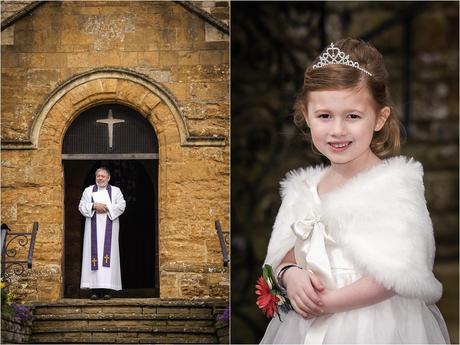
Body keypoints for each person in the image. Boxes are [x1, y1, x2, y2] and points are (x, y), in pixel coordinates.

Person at [260, 38, 450, 343]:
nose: (337, 130)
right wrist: (290, 274)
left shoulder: (393, 186)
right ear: (306, 117)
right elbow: (281, 255)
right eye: (324, 116)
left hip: (376, 325)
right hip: (304, 329)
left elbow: (396, 274)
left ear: (380, 118)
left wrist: (327, 303)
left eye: (353, 116)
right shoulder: (303, 189)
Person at [79, 167, 126, 300]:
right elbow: (81, 206)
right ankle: (94, 290)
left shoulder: (116, 191)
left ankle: (107, 291)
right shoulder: (88, 191)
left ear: (108, 178)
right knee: (92, 257)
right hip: (92, 232)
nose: (100, 178)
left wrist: (105, 207)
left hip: (109, 231)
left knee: (108, 257)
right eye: (98, 176)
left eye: (103, 176)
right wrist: (93, 206)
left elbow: (122, 205)